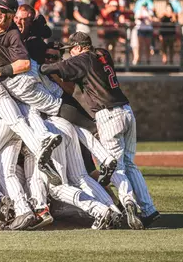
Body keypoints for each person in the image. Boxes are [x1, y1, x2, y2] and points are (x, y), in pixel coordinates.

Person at [40, 31, 160, 229]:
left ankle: (128, 203)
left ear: (78, 48)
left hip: (108, 114)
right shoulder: (103, 53)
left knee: (117, 167)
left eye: (71, 50)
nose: (69, 54)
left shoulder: (82, 59)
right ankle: (148, 209)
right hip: (127, 111)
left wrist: (40, 66)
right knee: (130, 164)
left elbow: (55, 67)